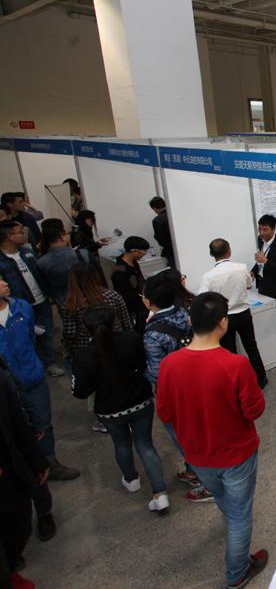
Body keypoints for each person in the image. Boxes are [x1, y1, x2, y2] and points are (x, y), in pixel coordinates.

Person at [156, 292, 268, 589]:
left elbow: (164, 413)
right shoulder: (235, 365)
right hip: (236, 454)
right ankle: (237, 573)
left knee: (223, 498)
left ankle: (232, 533)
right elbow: (254, 410)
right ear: (223, 323)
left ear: (190, 321)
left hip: (197, 455)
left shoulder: (169, 365)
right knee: (240, 515)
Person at [70, 306, 169, 513]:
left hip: (109, 410)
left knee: (121, 443)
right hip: (140, 401)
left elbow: (80, 391)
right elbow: (144, 363)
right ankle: (160, 493)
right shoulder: (131, 339)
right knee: (145, 444)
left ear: (86, 328)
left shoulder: (83, 356)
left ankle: (131, 480)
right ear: (113, 321)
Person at [0, 275, 79, 481]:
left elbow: (30, 339)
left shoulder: (22, 307)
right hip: (6, 388)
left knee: (42, 424)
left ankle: (49, 463)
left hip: (32, 377)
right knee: (14, 430)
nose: (5, 283)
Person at [141, 271, 207, 502]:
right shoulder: (185, 313)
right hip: (198, 382)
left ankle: (204, 479)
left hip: (175, 394)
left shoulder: (153, 333)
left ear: (149, 301)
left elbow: (157, 373)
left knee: (183, 437)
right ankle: (195, 470)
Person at [0, 361, 49, 589]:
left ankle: (9, 568)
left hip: (9, 473)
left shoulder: (2, 380)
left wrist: (37, 461)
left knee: (19, 523)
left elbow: (17, 423)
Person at [199, 238, 268, 389]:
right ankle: (261, 378)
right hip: (244, 314)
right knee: (251, 346)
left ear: (211, 254)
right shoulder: (241, 267)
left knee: (230, 352)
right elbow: (248, 285)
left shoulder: (208, 276)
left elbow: (202, 299)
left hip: (224, 318)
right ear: (229, 251)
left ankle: (236, 384)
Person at [0, 220, 55, 369]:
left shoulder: (27, 252)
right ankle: (33, 366)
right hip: (18, 307)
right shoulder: (1, 261)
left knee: (46, 333)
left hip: (41, 300)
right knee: (25, 337)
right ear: (9, 236)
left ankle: (48, 363)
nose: (26, 234)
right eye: (21, 231)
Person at [251, 215, 276, 329]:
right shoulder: (260, 240)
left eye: (265, 230)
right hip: (263, 284)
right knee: (267, 314)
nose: (261, 233)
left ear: (273, 229)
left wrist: (266, 261)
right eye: (260, 229)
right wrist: (253, 271)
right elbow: (260, 261)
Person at [111, 236, 150, 332]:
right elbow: (124, 294)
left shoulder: (134, 263)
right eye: (144, 252)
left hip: (142, 303)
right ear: (134, 251)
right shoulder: (119, 270)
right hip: (133, 309)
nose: (144, 254)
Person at [149, 197, 174, 267]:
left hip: (170, 251)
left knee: (175, 270)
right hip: (184, 247)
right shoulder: (174, 214)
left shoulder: (157, 220)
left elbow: (160, 239)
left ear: (154, 208)